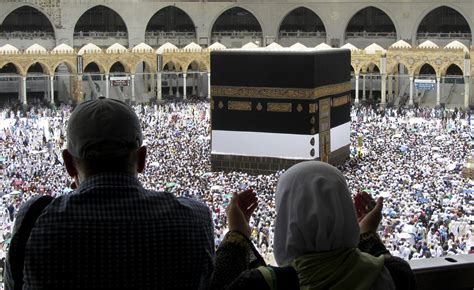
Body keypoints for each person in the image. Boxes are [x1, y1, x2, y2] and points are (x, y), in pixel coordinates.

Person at [4, 98, 215, 290]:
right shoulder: (194, 218)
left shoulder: (35, 221)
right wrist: (237, 237)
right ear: (142, 159)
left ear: (68, 163)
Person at [212, 161, 416, 289]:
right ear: (343, 208)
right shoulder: (395, 274)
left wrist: (237, 234)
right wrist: (367, 233)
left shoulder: (260, 283)